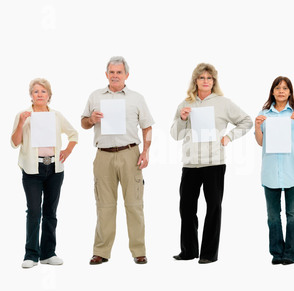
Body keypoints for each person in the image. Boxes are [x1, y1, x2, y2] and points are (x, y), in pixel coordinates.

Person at [170, 63, 253, 264]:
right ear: (195, 81)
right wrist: (182, 119)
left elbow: (247, 121)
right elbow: (175, 135)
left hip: (214, 163)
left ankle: (208, 254)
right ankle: (189, 251)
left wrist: (229, 137)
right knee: (186, 209)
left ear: (213, 81)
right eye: (201, 78)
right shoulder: (185, 104)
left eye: (209, 78)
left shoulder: (223, 103)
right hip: (190, 164)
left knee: (213, 207)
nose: (205, 81)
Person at [81, 56, 154, 265]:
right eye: (111, 72)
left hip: (130, 154)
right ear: (106, 75)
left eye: (119, 72)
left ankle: (139, 250)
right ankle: (101, 252)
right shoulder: (95, 96)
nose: (115, 76)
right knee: (104, 205)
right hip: (103, 155)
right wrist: (91, 119)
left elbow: (147, 127)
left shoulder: (136, 98)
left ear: (126, 75)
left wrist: (146, 151)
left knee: (134, 204)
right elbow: (84, 123)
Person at [11, 78, 78, 269]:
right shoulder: (23, 115)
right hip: (32, 169)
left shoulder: (56, 115)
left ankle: (48, 253)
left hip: (55, 169)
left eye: (43, 92)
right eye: (35, 92)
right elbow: (14, 142)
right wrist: (21, 123)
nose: (39, 95)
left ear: (49, 95)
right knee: (33, 211)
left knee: (51, 211)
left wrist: (67, 151)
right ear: (30, 95)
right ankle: (31, 254)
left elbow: (74, 134)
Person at [255, 76, 294, 265]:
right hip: (271, 172)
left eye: (285, 88)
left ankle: (290, 254)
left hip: (293, 170)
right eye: (277, 88)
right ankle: (276, 253)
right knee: (272, 216)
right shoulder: (265, 113)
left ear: (290, 92)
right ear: (272, 91)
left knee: (293, 216)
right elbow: (260, 142)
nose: (281, 91)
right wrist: (257, 126)